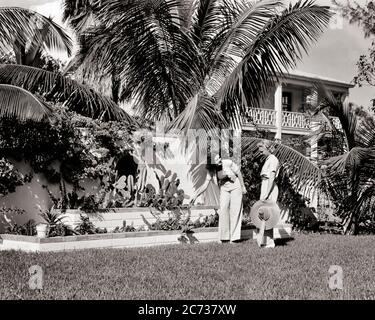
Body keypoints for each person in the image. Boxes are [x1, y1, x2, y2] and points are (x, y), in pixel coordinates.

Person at [191, 154, 247, 243]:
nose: (219, 159)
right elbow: (205, 185)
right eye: (216, 159)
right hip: (224, 188)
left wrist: (243, 186)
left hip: (235, 186)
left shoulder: (227, 163)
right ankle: (224, 237)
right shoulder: (211, 171)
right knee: (223, 210)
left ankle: (234, 238)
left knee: (235, 211)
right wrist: (195, 195)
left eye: (219, 157)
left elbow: (238, 173)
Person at [256, 140, 280, 248]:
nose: (260, 152)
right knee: (264, 215)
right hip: (265, 184)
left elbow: (271, 176)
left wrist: (266, 193)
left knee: (268, 215)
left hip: (269, 186)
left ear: (267, 148)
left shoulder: (273, 159)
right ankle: (265, 240)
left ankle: (270, 242)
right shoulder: (268, 159)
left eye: (262, 150)